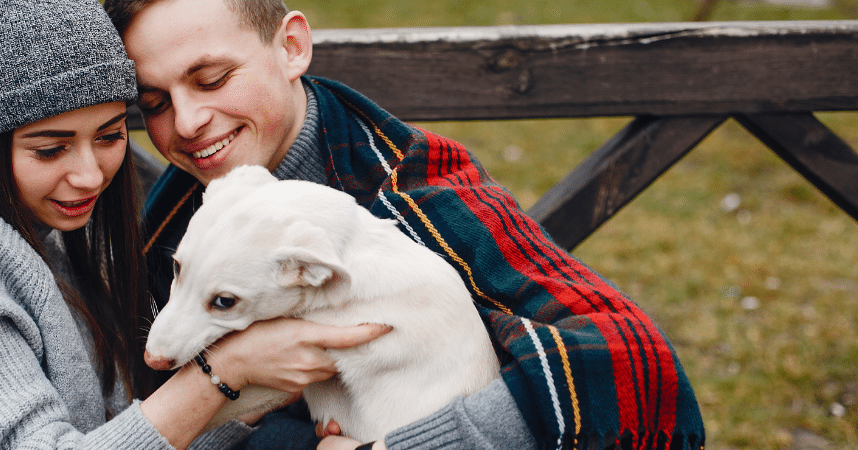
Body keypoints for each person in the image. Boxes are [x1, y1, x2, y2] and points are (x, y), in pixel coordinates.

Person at [102, 0, 706, 449]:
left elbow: (636, 364)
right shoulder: (176, 216)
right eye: (152, 104)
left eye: (211, 79)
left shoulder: (416, 193)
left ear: (291, 48)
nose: (185, 122)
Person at [0, 0, 388, 448]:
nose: (88, 176)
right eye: (50, 149)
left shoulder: (36, 230)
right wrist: (222, 374)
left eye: (107, 137)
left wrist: (253, 401)